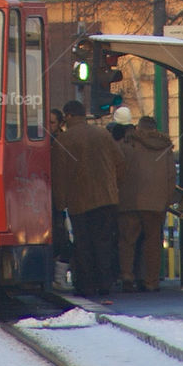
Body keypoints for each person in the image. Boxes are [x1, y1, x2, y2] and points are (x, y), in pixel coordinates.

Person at [53, 99, 125, 298]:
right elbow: (120, 162)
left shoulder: (63, 141)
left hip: (79, 201)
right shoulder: (103, 134)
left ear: (68, 116)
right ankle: (105, 283)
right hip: (107, 199)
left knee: (83, 244)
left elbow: (59, 175)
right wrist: (113, 185)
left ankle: (86, 285)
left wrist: (60, 203)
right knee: (103, 242)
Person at [117, 114, 176, 293]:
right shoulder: (165, 148)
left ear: (138, 127)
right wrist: (166, 199)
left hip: (129, 200)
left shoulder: (128, 145)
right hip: (156, 202)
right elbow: (171, 177)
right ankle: (151, 281)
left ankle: (127, 274)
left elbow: (118, 170)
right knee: (153, 242)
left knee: (128, 240)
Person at [49, 108, 72, 285]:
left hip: (59, 197)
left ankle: (58, 277)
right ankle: (57, 277)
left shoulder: (62, 142)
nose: (48, 126)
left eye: (52, 123)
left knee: (62, 238)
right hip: (46, 197)